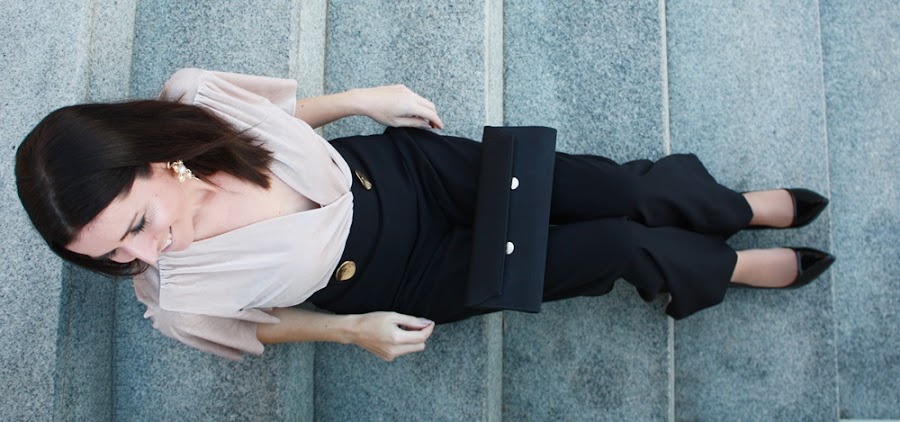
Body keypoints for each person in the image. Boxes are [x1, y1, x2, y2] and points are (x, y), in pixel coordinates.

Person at [15, 68, 835, 362]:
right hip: (401, 275)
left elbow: (277, 117)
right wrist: (351, 332)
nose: (144, 254)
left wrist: (364, 99)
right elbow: (260, 327)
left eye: (134, 225)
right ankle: (722, 266)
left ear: (152, 159)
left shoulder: (193, 99)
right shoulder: (172, 294)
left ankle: (730, 206)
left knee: (608, 191)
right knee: (612, 247)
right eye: (111, 257)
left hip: (408, 173)